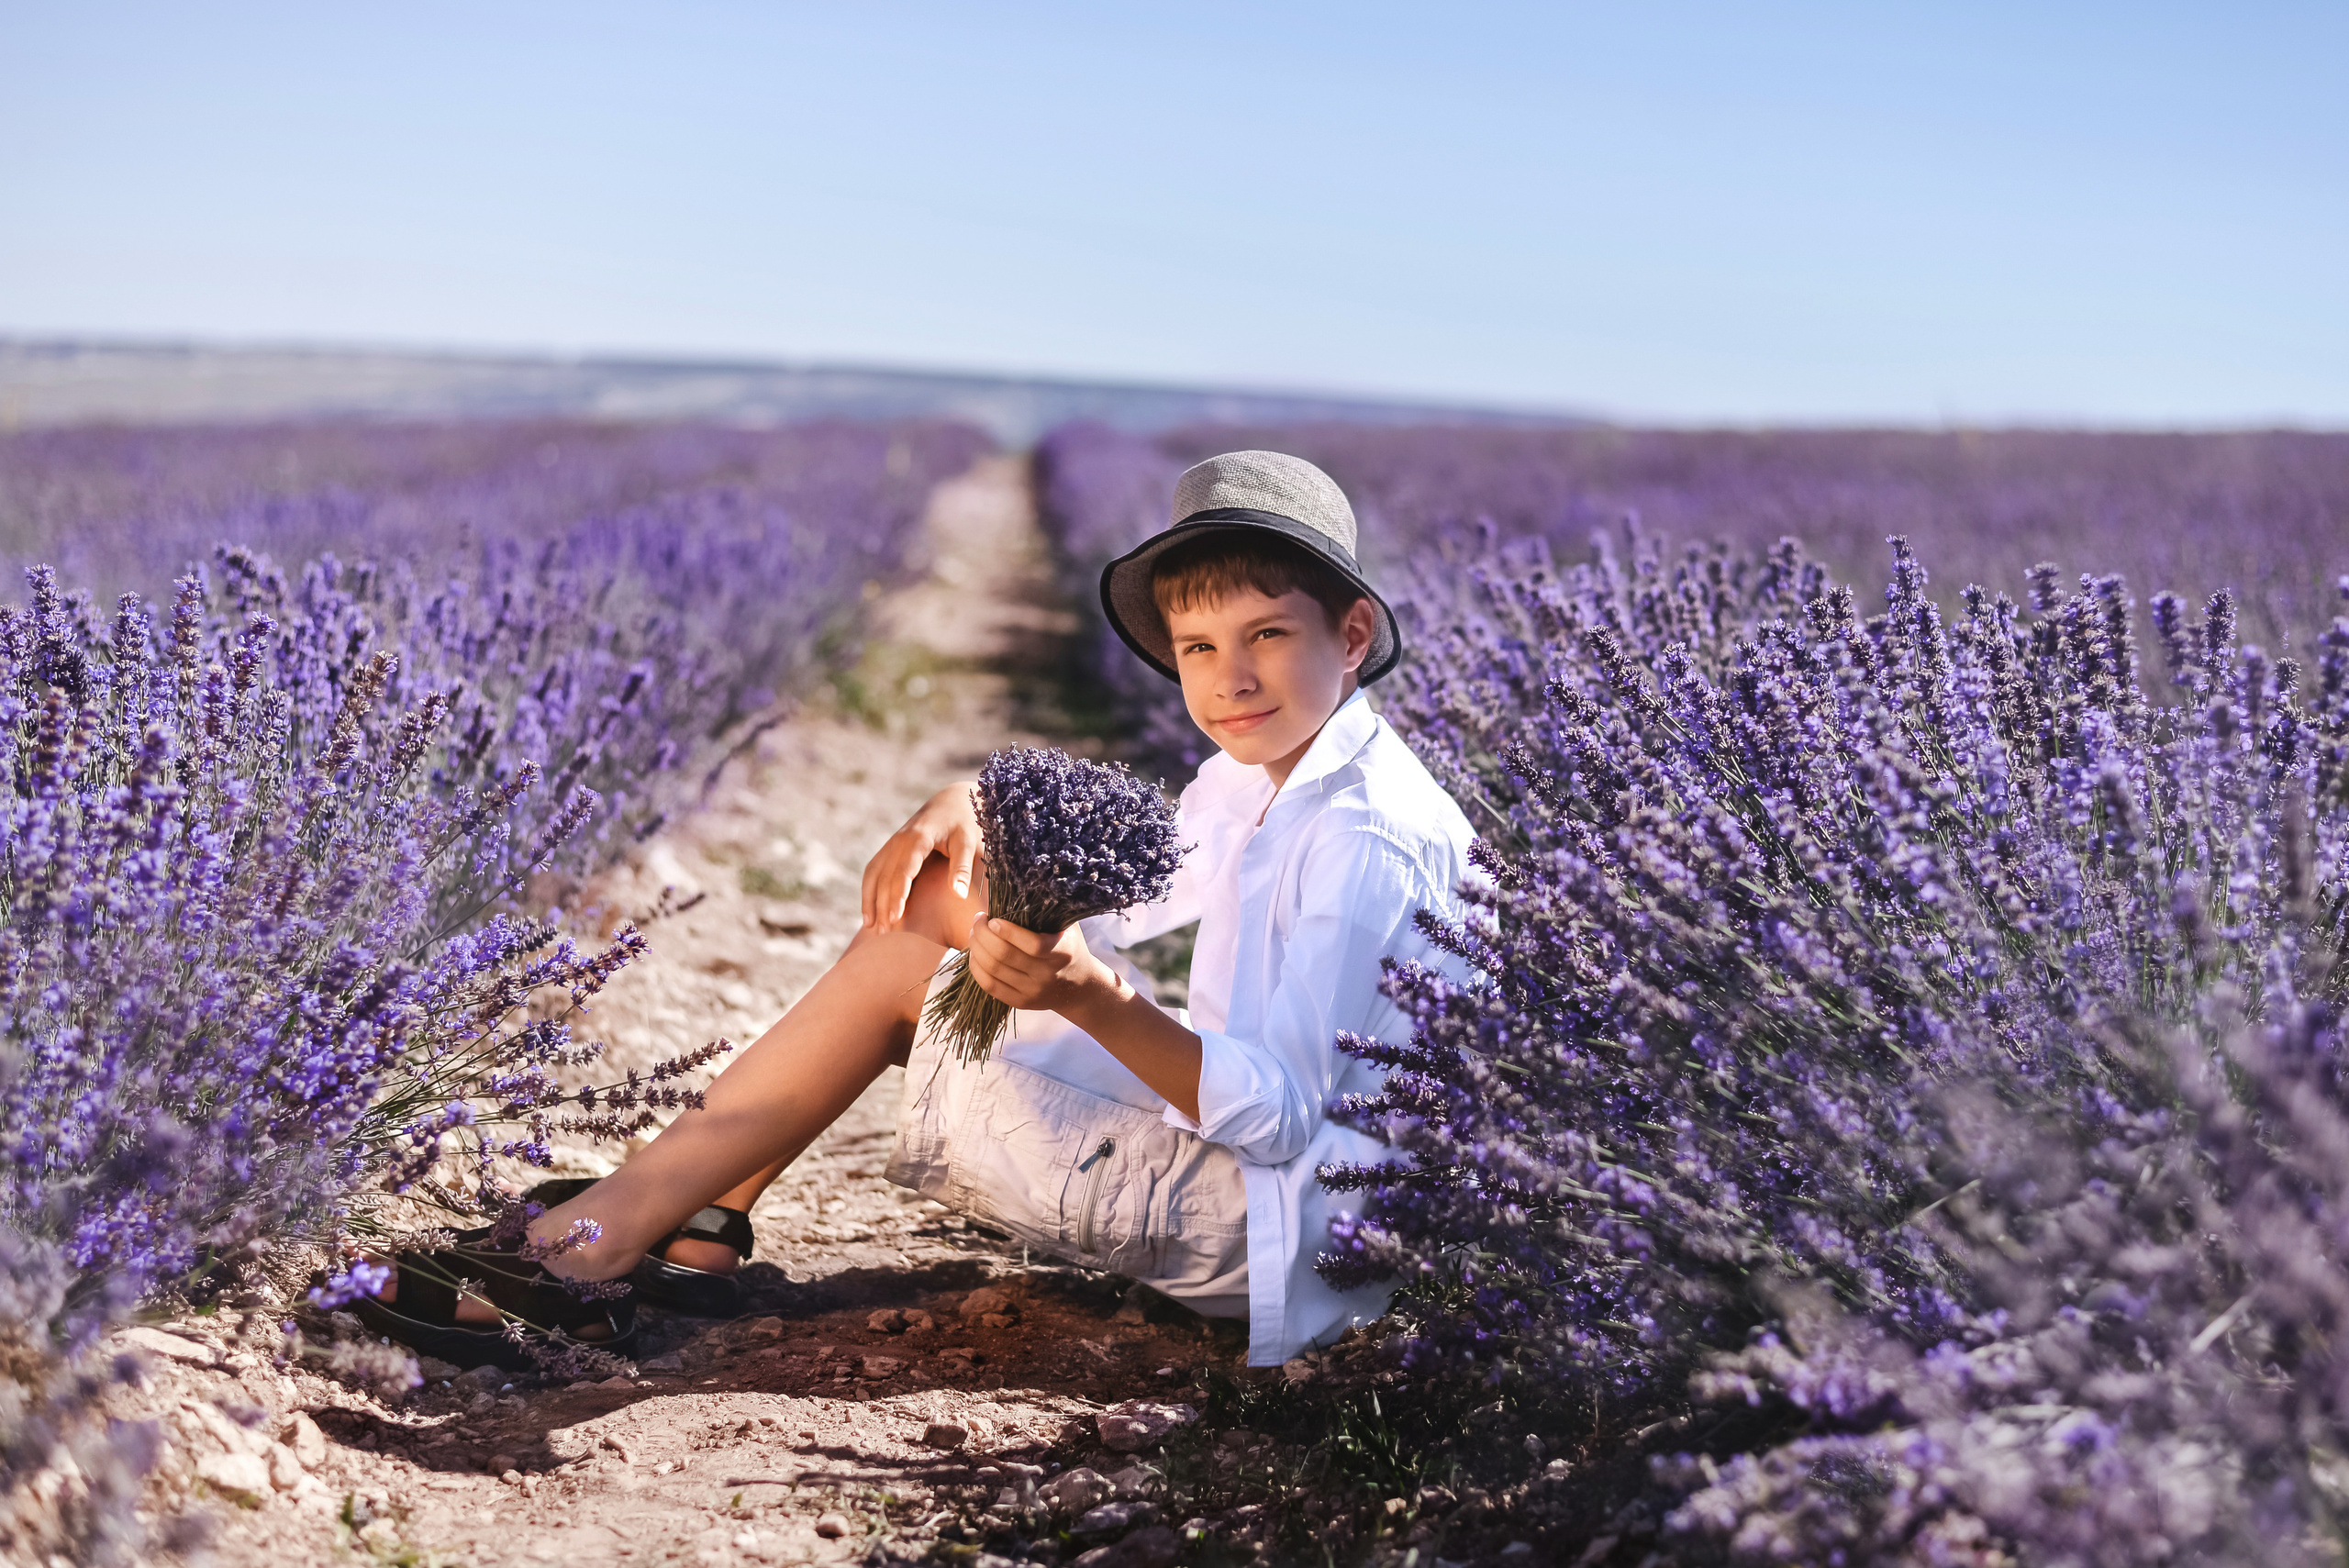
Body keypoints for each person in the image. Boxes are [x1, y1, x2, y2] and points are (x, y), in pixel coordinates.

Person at [354, 450, 1475, 1373]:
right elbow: (1134, 884)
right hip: (1258, 1173)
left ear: (1355, 635)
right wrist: (974, 805)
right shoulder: (1266, 771)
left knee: (903, 969)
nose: (1230, 677)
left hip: (1280, 1240)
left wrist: (1089, 995)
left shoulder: (1362, 834)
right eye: (1199, 647)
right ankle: (680, 1220)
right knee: (925, 916)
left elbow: (1280, 1117)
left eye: (1268, 635)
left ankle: (594, 1249)